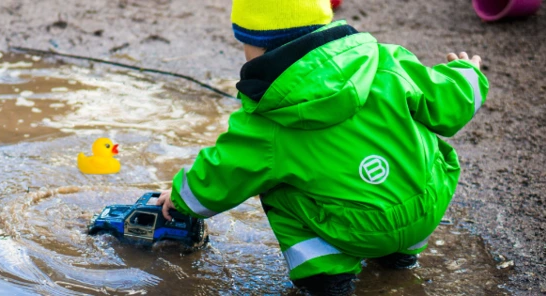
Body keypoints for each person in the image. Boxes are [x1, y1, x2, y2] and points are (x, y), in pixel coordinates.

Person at [156, 0, 488, 295]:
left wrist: (182, 198)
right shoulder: (386, 60)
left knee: (272, 184)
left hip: (357, 230)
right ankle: (399, 258)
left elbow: (224, 174)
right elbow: (448, 103)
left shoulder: (266, 120)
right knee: (417, 144)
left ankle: (326, 277)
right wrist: (467, 73)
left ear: (256, 47)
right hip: (425, 206)